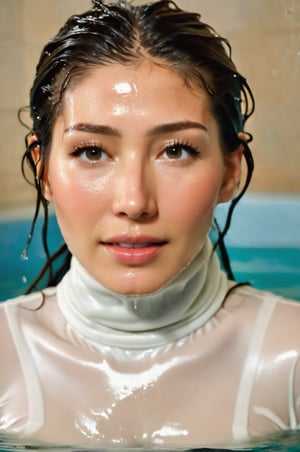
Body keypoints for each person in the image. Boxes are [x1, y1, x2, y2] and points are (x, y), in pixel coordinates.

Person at [0, 0, 300, 449]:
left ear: (230, 170)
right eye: (92, 151)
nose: (134, 202)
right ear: (43, 170)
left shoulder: (292, 363)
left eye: (176, 150)